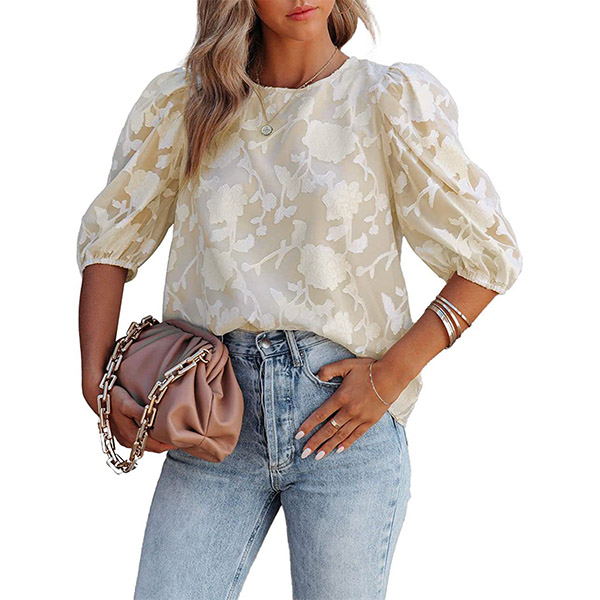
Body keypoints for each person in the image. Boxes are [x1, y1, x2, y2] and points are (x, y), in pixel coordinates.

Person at [76, 1, 523, 598]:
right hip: (212, 416)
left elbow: (488, 255)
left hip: (344, 423)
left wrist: (391, 376)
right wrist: (94, 377)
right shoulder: (187, 104)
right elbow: (112, 239)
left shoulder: (386, 100)